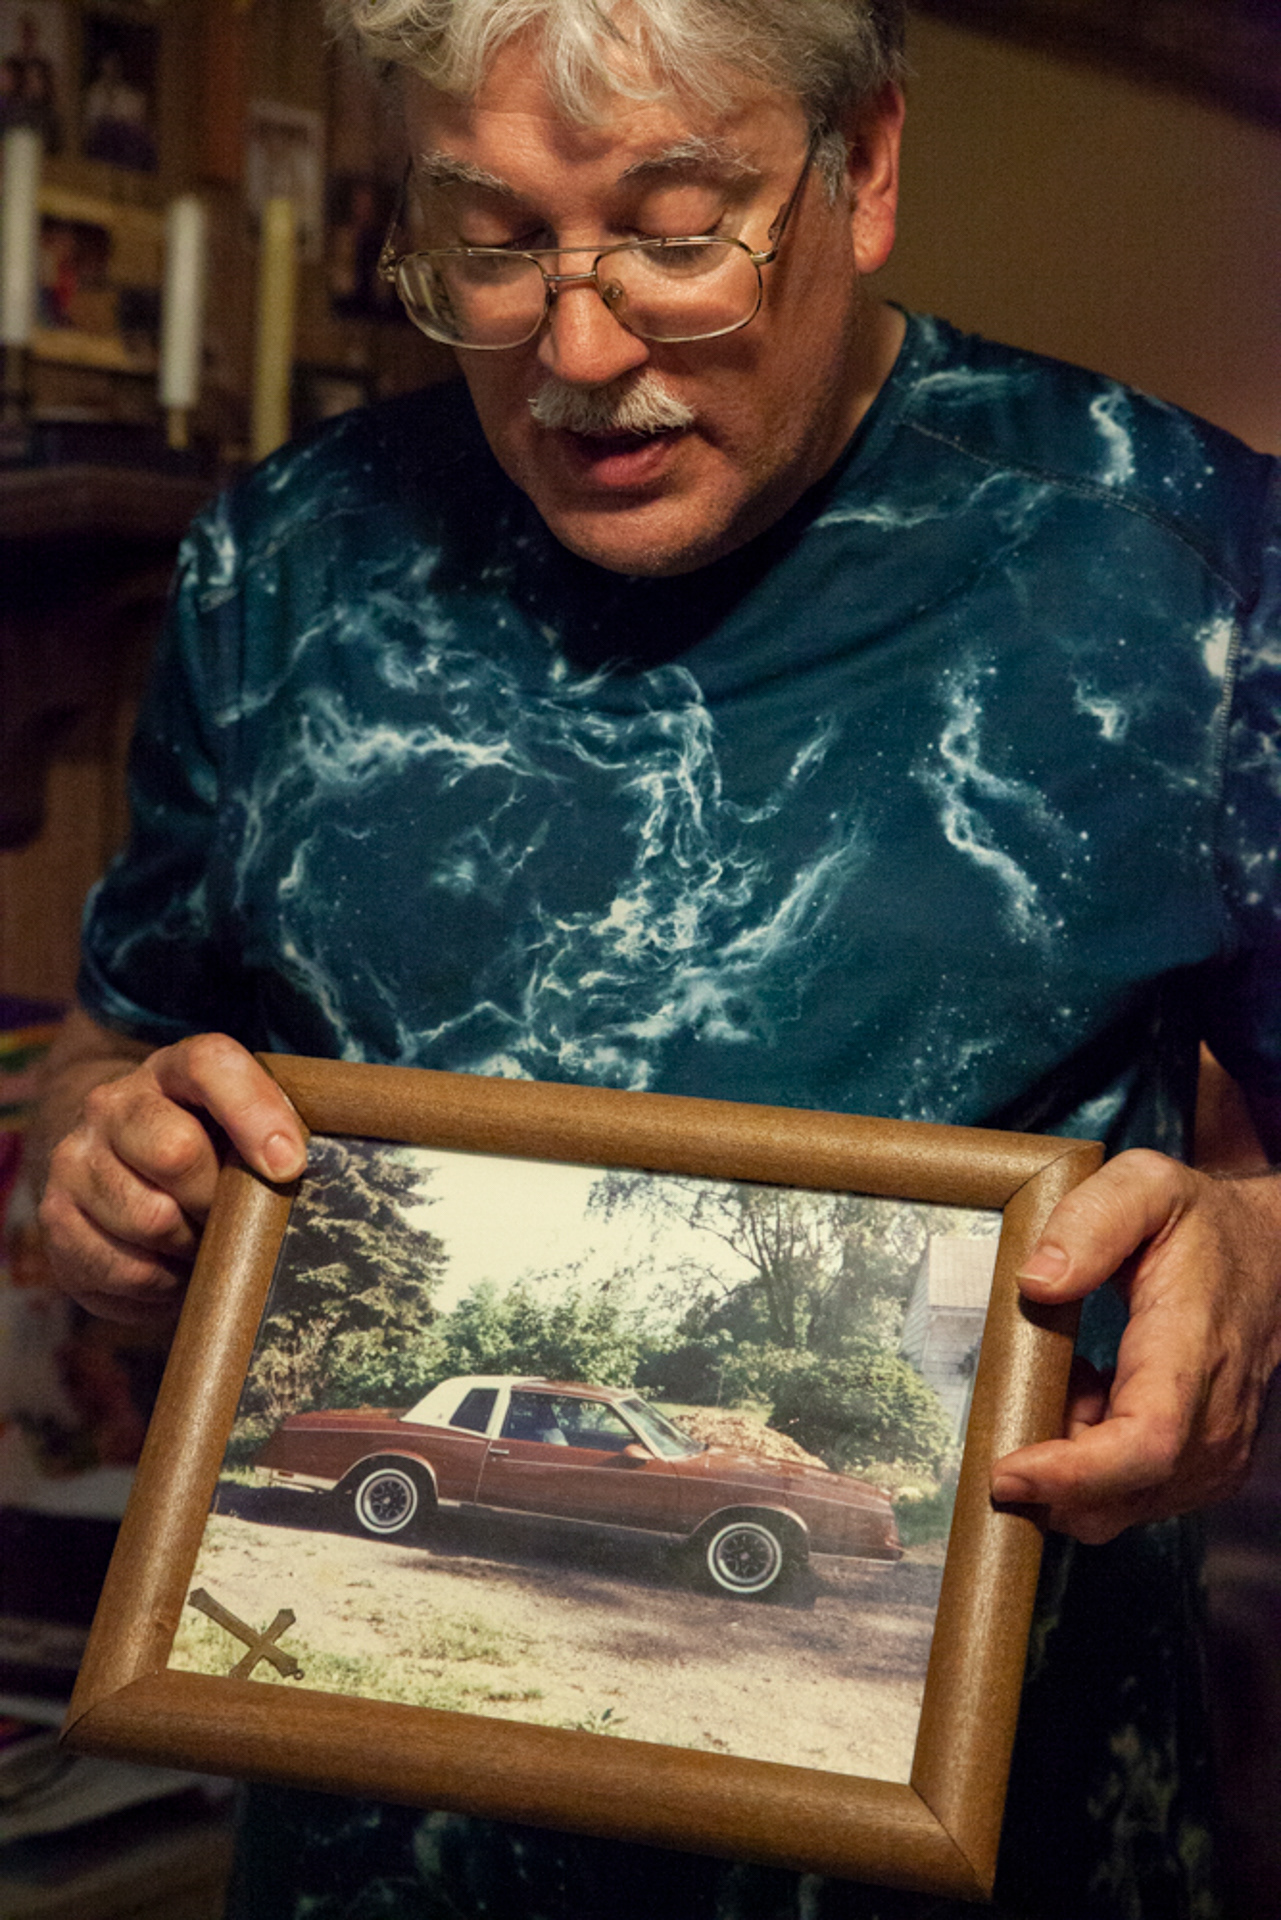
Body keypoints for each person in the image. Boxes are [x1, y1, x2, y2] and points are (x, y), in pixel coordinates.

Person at [32, 1, 1280, 1915]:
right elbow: (108, 1056)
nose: (580, 350)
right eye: (492, 243)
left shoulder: (1186, 573)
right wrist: (101, 1156)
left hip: (995, 1853)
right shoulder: (277, 569)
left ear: (860, 169)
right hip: (366, 1857)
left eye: (679, 232)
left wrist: (1251, 1252)